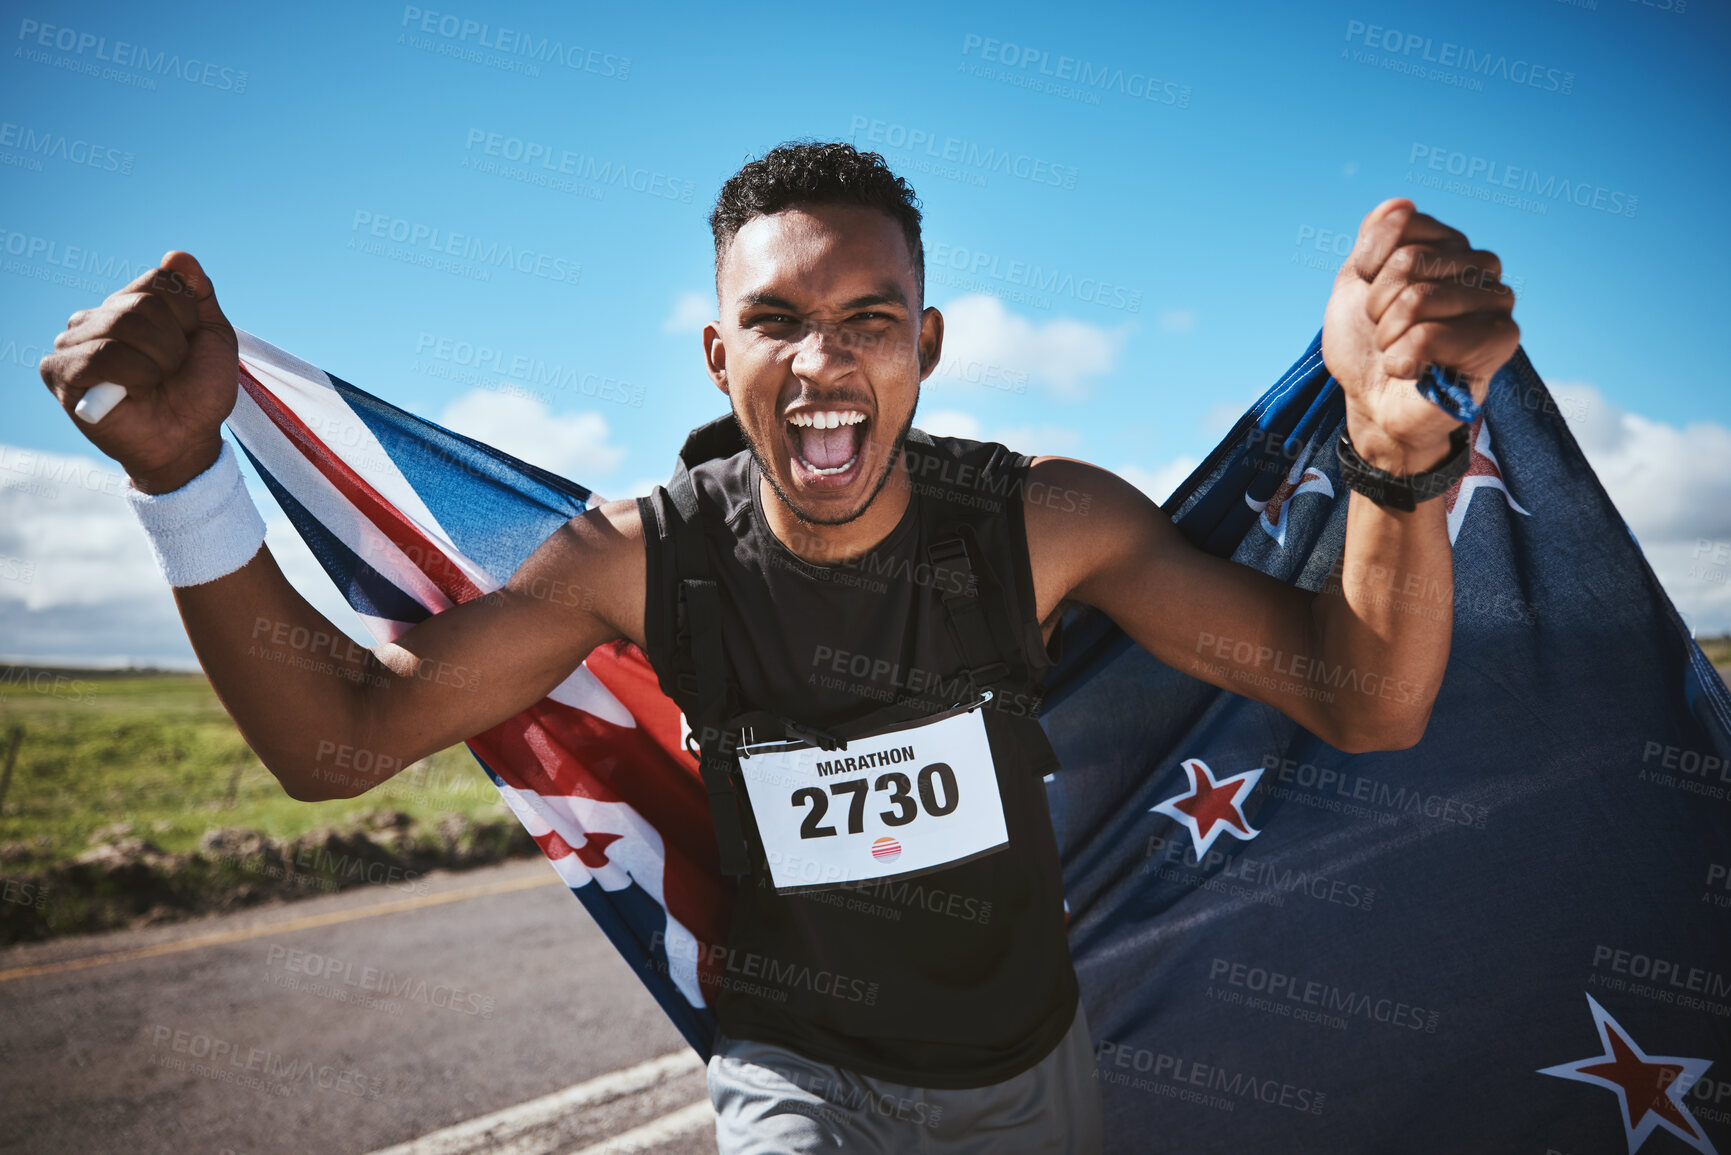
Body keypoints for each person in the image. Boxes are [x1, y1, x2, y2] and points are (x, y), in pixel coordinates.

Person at [38, 141, 1518, 1153]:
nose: (825, 361)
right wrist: (185, 482)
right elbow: (336, 741)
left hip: (1031, 1080)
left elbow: (1366, 702)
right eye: (779, 321)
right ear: (716, 355)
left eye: (871, 319)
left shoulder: (1042, 523)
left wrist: (1394, 463)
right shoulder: (639, 555)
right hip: (798, 1077)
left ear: (926, 348)